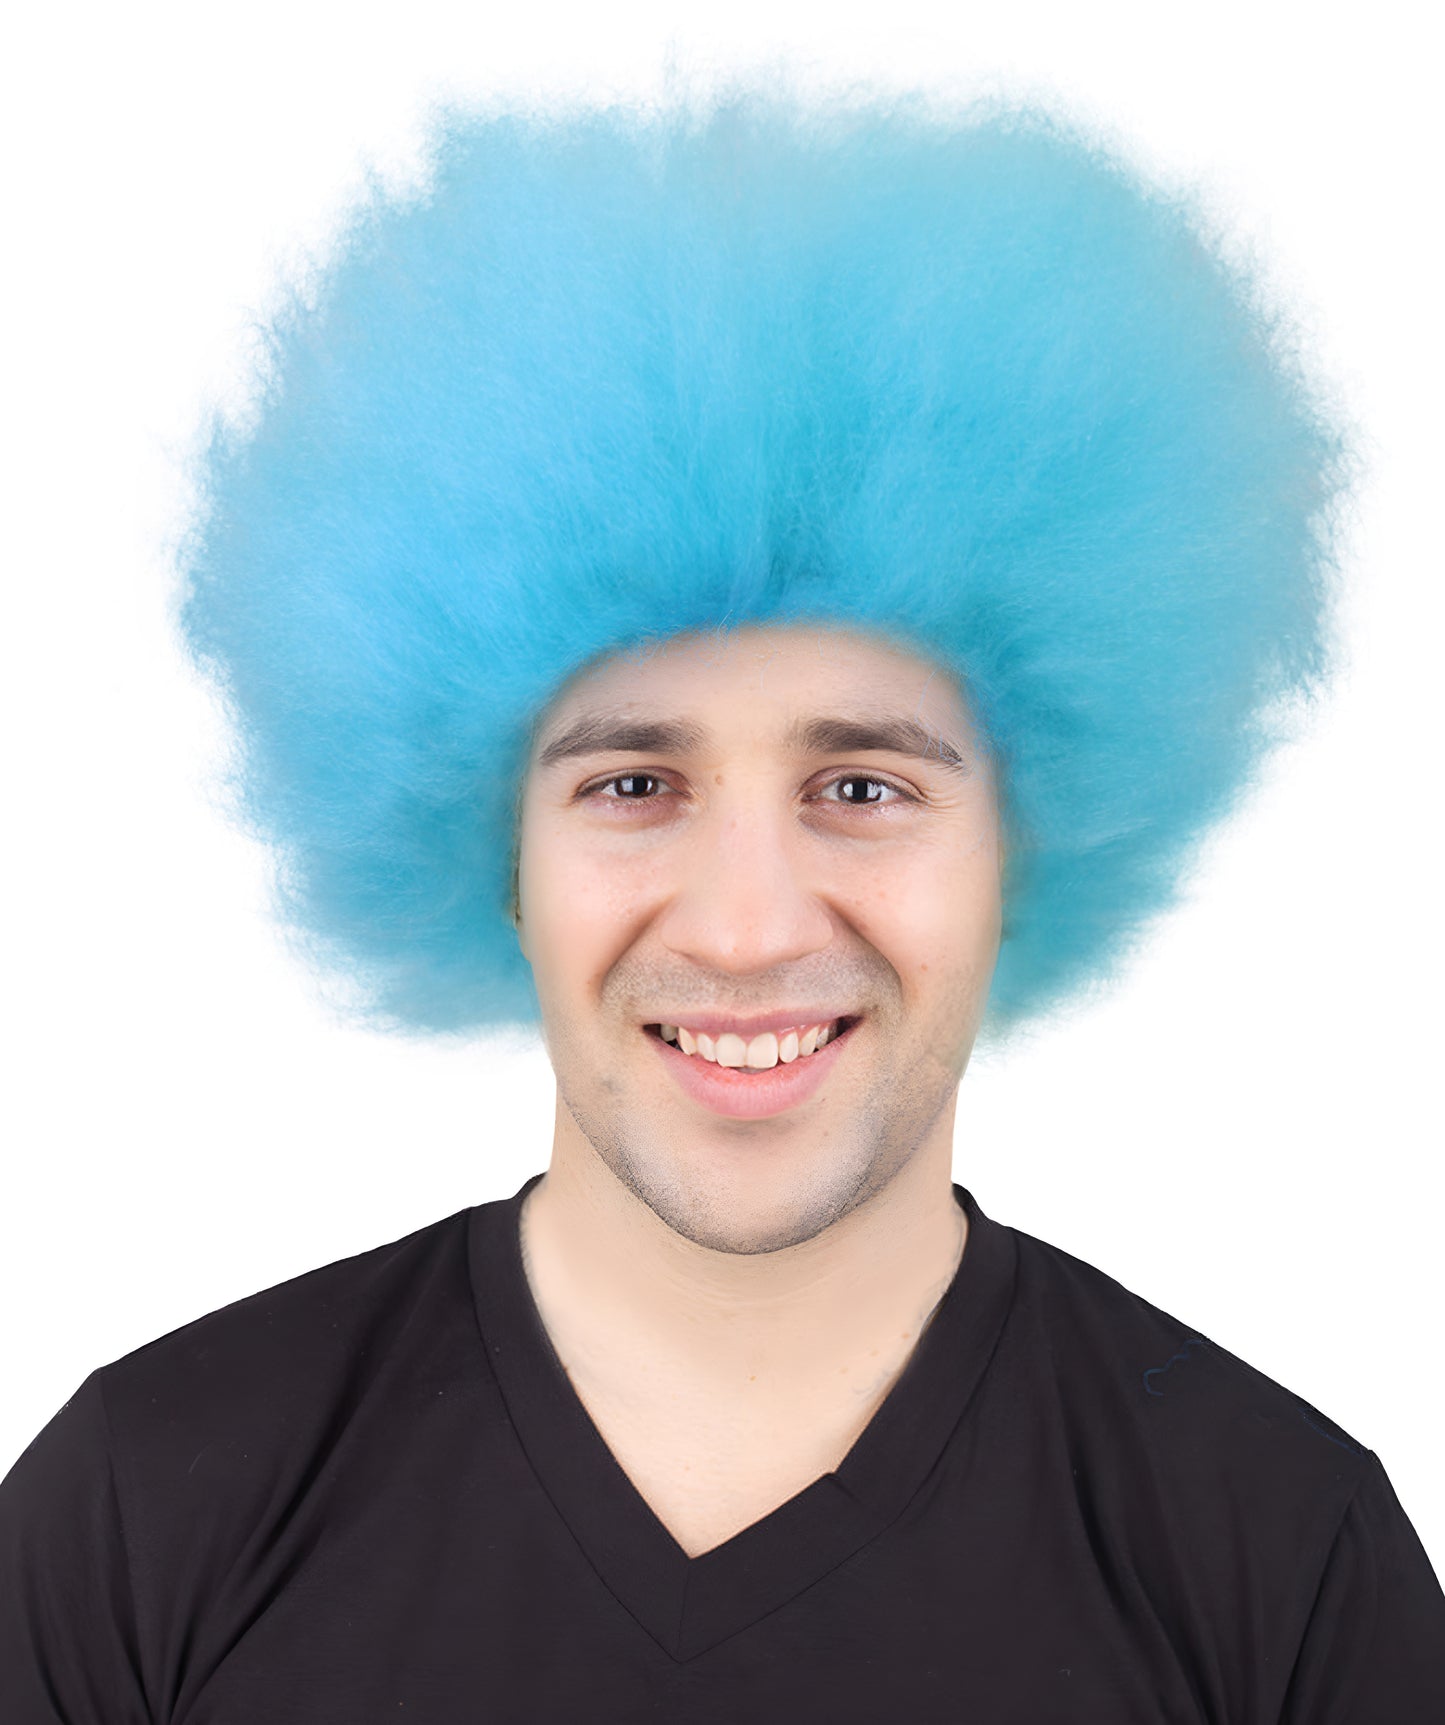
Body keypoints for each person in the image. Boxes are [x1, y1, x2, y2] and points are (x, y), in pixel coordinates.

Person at [3, 88, 1442, 1722]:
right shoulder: (148, 1512)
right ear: (496, 858)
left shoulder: (1274, 1562)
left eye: (862, 788)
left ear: (1018, 848)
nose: (746, 929)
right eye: (634, 785)